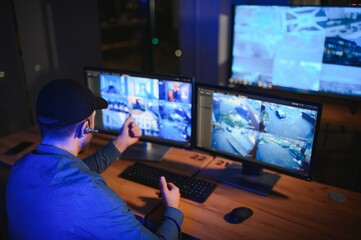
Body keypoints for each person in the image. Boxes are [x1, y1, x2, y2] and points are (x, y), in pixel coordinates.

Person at [6, 79, 184, 239]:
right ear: (86, 128)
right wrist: (173, 209)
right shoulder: (87, 192)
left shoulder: (19, 168)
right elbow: (80, 184)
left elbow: (73, 171)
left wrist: (121, 143)